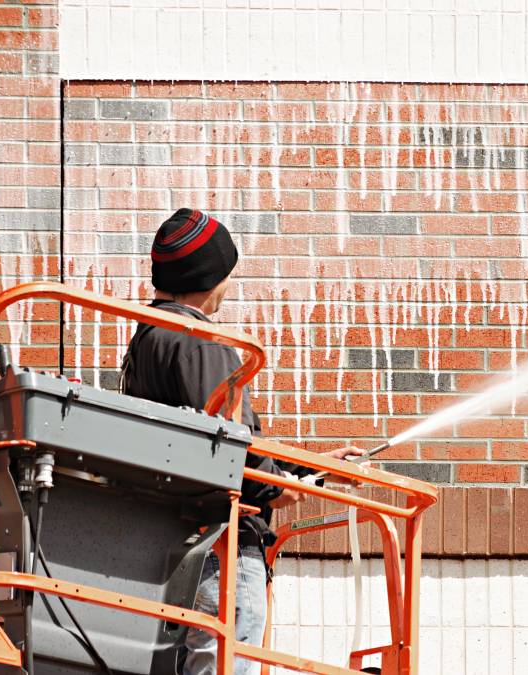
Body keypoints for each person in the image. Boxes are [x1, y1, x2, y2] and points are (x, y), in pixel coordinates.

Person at [121, 207, 362, 675]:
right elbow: (231, 445)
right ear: (210, 277)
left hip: (176, 542)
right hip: (220, 549)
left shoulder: (147, 339)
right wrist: (277, 487)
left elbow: (201, 438)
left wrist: (303, 467)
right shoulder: (200, 342)